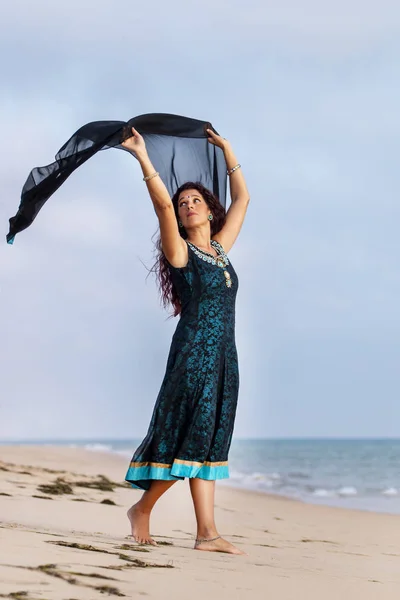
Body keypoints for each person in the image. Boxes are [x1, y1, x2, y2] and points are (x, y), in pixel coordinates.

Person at [122, 126, 250, 555]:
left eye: (196, 200)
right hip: (194, 355)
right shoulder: (181, 253)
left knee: (210, 440)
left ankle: (206, 534)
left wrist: (229, 151)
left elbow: (244, 200)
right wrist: (143, 158)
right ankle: (143, 508)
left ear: (209, 211)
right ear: (178, 218)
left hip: (224, 358)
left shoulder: (220, 249)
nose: (189, 205)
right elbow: (161, 202)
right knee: (189, 436)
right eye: (183, 204)